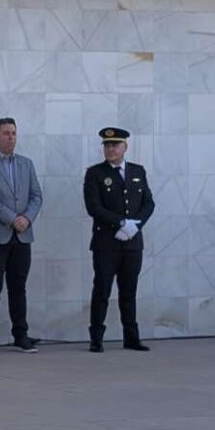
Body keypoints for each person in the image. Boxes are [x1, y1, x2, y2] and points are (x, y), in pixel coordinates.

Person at [0, 117, 43, 355]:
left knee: (18, 286)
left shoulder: (26, 164)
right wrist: (13, 218)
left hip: (22, 235)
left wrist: (27, 218)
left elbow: (36, 195)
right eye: (6, 133)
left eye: (13, 133)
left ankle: (21, 335)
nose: (11, 137)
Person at [83, 127, 155, 353]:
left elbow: (148, 203)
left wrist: (135, 226)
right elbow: (93, 207)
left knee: (129, 292)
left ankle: (131, 338)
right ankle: (96, 338)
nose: (110, 149)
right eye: (107, 145)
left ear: (125, 147)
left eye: (115, 145)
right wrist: (121, 223)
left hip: (132, 243)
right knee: (102, 291)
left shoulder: (137, 171)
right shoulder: (95, 173)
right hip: (106, 243)